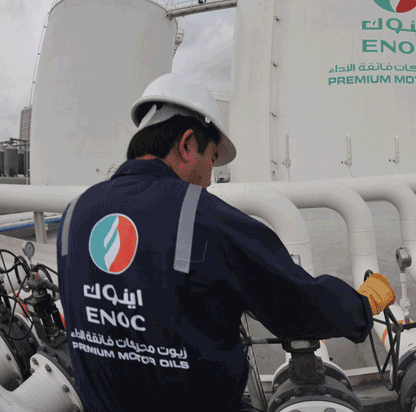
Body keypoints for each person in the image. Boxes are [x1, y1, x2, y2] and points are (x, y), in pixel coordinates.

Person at [57, 73, 396, 412]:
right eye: (213, 157)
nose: (210, 177)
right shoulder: (203, 217)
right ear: (188, 144)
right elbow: (294, 303)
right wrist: (361, 306)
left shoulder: (75, 213)